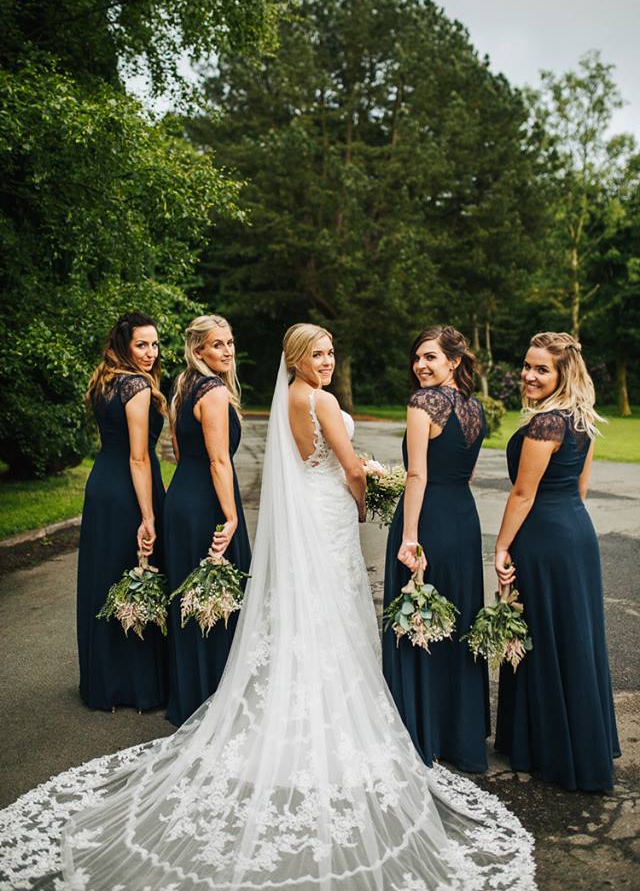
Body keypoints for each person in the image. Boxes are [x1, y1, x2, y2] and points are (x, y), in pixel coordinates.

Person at [0, 325, 535, 891]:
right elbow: (350, 468)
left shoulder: (292, 398)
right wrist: (366, 495)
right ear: (297, 360)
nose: (328, 362)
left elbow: (305, 458)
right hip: (329, 511)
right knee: (333, 606)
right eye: (318, 354)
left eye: (332, 353)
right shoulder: (320, 400)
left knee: (306, 607)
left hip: (310, 507)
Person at [494, 331, 620, 791]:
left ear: (563, 374)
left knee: (544, 634)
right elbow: (580, 489)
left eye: (541, 369)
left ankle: (549, 746)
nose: (529, 374)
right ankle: (577, 742)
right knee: (572, 636)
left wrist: (501, 546)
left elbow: (523, 494)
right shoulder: (581, 419)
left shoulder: (546, 423)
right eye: (527, 365)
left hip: (544, 537)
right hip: (575, 534)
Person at [383, 326, 490, 772]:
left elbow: (417, 475)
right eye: (417, 357)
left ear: (454, 360)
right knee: (456, 621)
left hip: (427, 520)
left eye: (430, 357)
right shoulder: (474, 407)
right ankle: (459, 738)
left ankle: (418, 731)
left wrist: (409, 537)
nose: (421, 365)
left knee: (418, 622)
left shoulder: (423, 403)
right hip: (463, 521)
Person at [77, 312, 167, 713]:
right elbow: (139, 457)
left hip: (101, 485)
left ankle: (103, 683)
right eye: (141, 345)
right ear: (124, 346)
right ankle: (135, 685)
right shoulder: (136, 385)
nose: (151, 352)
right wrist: (148, 515)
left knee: (105, 577)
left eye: (155, 344)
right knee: (134, 574)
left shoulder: (105, 380)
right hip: (130, 490)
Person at [164, 314, 251, 726]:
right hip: (208, 504)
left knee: (191, 599)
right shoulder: (213, 391)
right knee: (215, 599)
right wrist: (230, 516)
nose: (228, 350)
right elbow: (219, 461)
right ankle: (216, 700)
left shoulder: (183, 385)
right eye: (218, 344)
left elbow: (180, 452)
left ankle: (192, 696)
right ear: (198, 350)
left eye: (230, 342)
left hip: (181, 497)